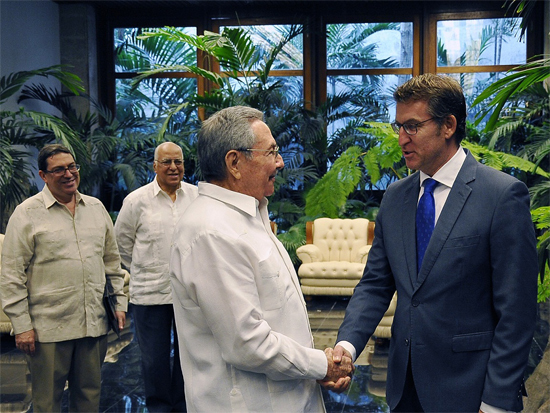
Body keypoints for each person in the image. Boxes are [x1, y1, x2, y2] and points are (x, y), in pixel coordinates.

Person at [331, 74, 538, 412]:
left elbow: (516, 314)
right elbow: (374, 285)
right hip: (403, 389)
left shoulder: (501, 195)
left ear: (448, 125)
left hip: (471, 392)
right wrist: (347, 346)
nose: (401, 139)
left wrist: (496, 403)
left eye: (412, 126)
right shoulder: (395, 197)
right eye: (398, 126)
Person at [169, 105, 353, 412]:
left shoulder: (248, 213)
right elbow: (247, 344)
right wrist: (321, 365)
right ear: (235, 162)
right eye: (271, 152)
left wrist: (316, 364)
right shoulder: (211, 233)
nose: (280, 162)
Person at [0, 144, 127, 412]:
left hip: (93, 322)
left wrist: (119, 303)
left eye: (72, 167)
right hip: (48, 329)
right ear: (43, 175)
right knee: (47, 402)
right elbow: (11, 275)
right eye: (58, 169)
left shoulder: (96, 208)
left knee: (89, 396)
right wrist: (21, 325)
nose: (68, 173)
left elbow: (112, 263)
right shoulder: (27, 213)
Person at [114, 142, 198, 412]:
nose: (173, 167)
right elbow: (121, 246)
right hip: (150, 294)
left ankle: (183, 405)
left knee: (189, 357)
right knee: (154, 361)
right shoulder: (136, 201)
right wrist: (144, 267)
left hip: (190, 295)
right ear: (155, 166)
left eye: (178, 162)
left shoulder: (197, 198)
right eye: (166, 162)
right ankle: (160, 407)